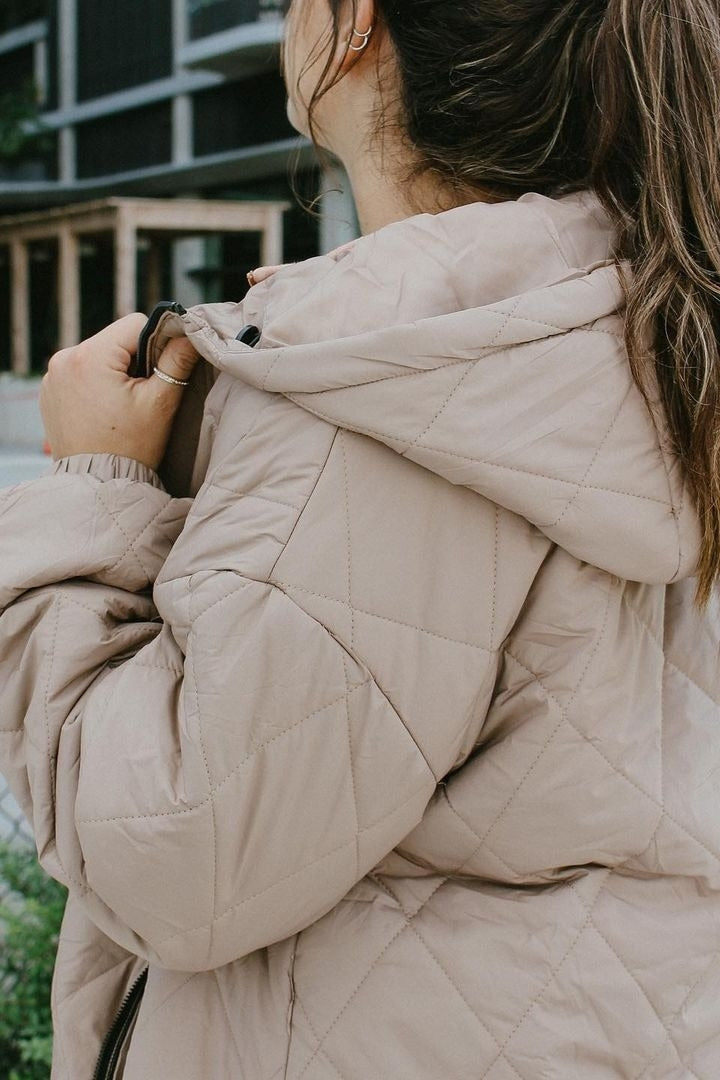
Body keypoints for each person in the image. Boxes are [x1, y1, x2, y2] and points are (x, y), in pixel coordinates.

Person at [0, 0, 718, 1076]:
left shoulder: (394, 381)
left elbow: (175, 856)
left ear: (353, 24)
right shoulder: (645, 314)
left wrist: (93, 484)